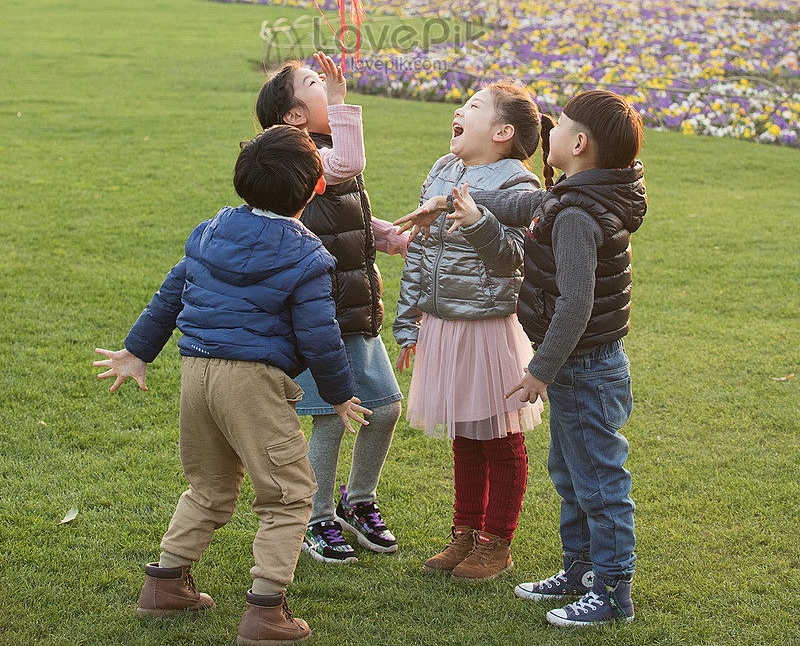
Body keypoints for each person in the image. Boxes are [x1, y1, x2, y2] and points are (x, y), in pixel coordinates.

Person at [93, 125, 370, 645]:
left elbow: (170, 293)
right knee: (289, 497)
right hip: (254, 383)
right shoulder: (307, 256)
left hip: (196, 374)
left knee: (210, 486)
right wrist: (338, 393)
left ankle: (165, 584)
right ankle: (266, 612)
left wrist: (137, 350)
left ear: (241, 180)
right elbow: (320, 334)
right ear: (315, 188)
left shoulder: (210, 230)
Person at [444, 89, 648, 627]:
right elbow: (523, 204)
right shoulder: (571, 195)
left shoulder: (580, 214)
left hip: (583, 368)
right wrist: (460, 203)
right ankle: (581, 570)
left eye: (558, 127)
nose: (548, 132)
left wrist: (540, 369)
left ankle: (610, 591)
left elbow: (577, 306)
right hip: (577, 367)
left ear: (578, 144)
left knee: (599, 481)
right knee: (571, 471)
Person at [391, 83, 550, 583]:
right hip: (442, 321)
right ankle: (464, 533)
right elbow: (420, 249)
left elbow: (512, 260)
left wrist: (479, 219)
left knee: (500, 436)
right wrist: (408, 319)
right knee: (464, 431)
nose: (459, 110)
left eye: (474, 107)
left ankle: (497, 544)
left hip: (488, 326)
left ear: (503, 133)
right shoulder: (443, 168)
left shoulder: (518, 185)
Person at [255, 52, 408, 564]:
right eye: (317, 83)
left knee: (384, 408)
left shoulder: (320, 149)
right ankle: (315, 518)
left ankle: (357, 501)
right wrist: (344, 104)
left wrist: (381, 233)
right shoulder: (299, 156)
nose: (329, 86)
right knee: (330, 417)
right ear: (295, 117)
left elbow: (342, 208)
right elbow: (346, 166)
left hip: (357, 306)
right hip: (319, 313)